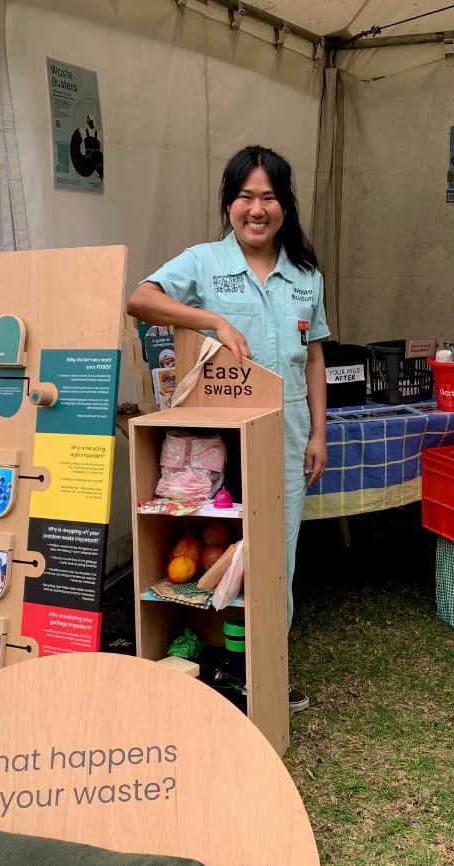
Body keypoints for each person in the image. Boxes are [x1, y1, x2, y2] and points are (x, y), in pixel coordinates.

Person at [125, 145, 329, 714]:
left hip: (285, 442)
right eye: (245, 197)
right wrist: (212, 318)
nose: (256, 209)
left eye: (268, 197)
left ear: (285, 206)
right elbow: (140, 300)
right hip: (209, 449)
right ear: (229, 203)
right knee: (205, 552)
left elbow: (313, 358)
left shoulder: (306, 277)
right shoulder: (204, 263)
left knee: (273, 560)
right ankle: (208, 668)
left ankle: (265, 672)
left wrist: (319, 433)